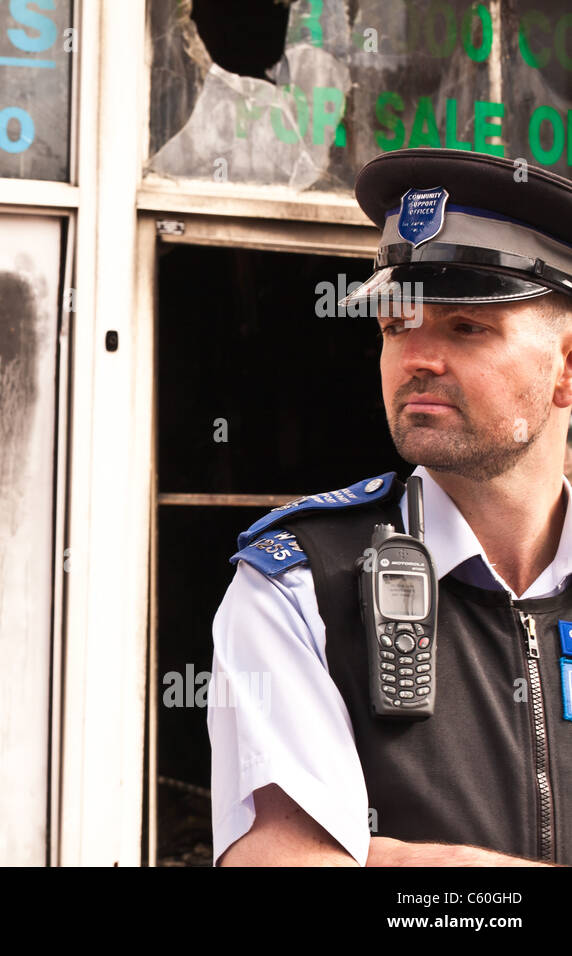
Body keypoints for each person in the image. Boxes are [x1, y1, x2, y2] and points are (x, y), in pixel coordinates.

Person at [209, 147, 572, 867]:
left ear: (568, 369)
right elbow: (283, 861)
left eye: (467, 327)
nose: (416, 359)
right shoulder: (301, 582)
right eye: (396, 328)